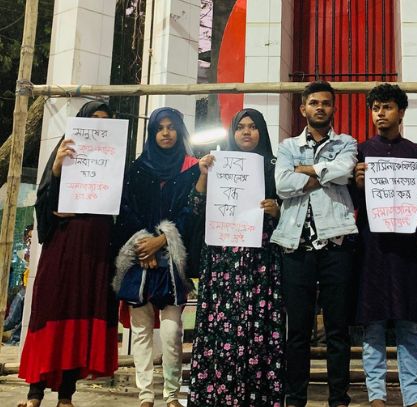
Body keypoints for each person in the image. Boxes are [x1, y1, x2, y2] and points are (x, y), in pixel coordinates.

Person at [18, 101, 119, 407]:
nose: (99, 125)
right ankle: (35, 393)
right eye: (94, 119)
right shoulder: (65, 151)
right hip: (62, 245)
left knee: (81, 315)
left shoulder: (114, 157)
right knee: (51, 309)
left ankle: (66, 395)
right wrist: (58, 169)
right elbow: (44, 201)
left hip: (95, 248)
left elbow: (118, 202)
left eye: (105, 120)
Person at [188, 108, 285, 406]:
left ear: (262, 132)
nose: (246, 132)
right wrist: (203, 175)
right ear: (233, 132)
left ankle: (257, 396)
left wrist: (277, 210)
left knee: (258, 324)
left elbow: (291, 213)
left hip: (260, 261)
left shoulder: (276, 167)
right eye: (240, 127)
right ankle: (219, 394)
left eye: (253, 127)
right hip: (222, 261)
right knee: (221, 326)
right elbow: (195, 208)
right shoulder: (216, 164)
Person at [271, 80, 358, 407]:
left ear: (333, 108)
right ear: (303, 108)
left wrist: (304, 170)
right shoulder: (287, 145)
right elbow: (282, 184)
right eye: (314, 103)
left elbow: (345, 171)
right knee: (297, 331)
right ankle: (295, 399)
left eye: (326, 103)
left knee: (338, 329)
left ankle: (339, 399)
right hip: (296, 245)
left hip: (337, 242)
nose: (320, 107)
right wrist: (325, 174)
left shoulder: (346, 142)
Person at [113, 107, 200, 407]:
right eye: (160, 128)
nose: (166, 133)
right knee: (141, 331)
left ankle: (172, 394)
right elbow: (126, 210)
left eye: (171, 127)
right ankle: (146, 395)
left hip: (172, 261)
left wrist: (162, 240)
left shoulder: (191, 168)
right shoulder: (137, 169)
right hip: (139, 261)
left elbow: (191, 211)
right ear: (152, 133)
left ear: (179, 131)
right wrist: (143, 245)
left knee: (172, 332)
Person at [353, 84, 417, 407]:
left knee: (408, 322)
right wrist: (357, 185)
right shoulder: (359, 152)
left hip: (406, 248)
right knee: (372, 322)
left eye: (386, 107)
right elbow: (349, 202)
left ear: (401, 112)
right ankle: (376, 394)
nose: (380, 113)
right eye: (375, 108)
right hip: (371, 246)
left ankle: (412, 395)